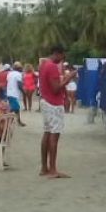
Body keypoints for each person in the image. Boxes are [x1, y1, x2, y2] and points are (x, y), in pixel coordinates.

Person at [39, 45, 77, 178]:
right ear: (56, 53)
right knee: (54, 136)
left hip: (45, 101)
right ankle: (53, 169)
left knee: (47, 133)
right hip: (53, 103)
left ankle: (44, 167)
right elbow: (55, 88)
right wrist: (69, 78)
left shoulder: (43, 65)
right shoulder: (51, 66)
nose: (62, 59)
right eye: (62, 56)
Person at [6, 62, 26, 127]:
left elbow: (8, 82)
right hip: (14, 94)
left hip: (9, 93)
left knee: (15, 108)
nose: (21, 69)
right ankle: (7, 121)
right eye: (20, 67)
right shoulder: (18, 74)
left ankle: (17, 121)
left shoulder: (9, 73)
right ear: (18, 68)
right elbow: (19, 85)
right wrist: (23, 92)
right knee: (14, 108)